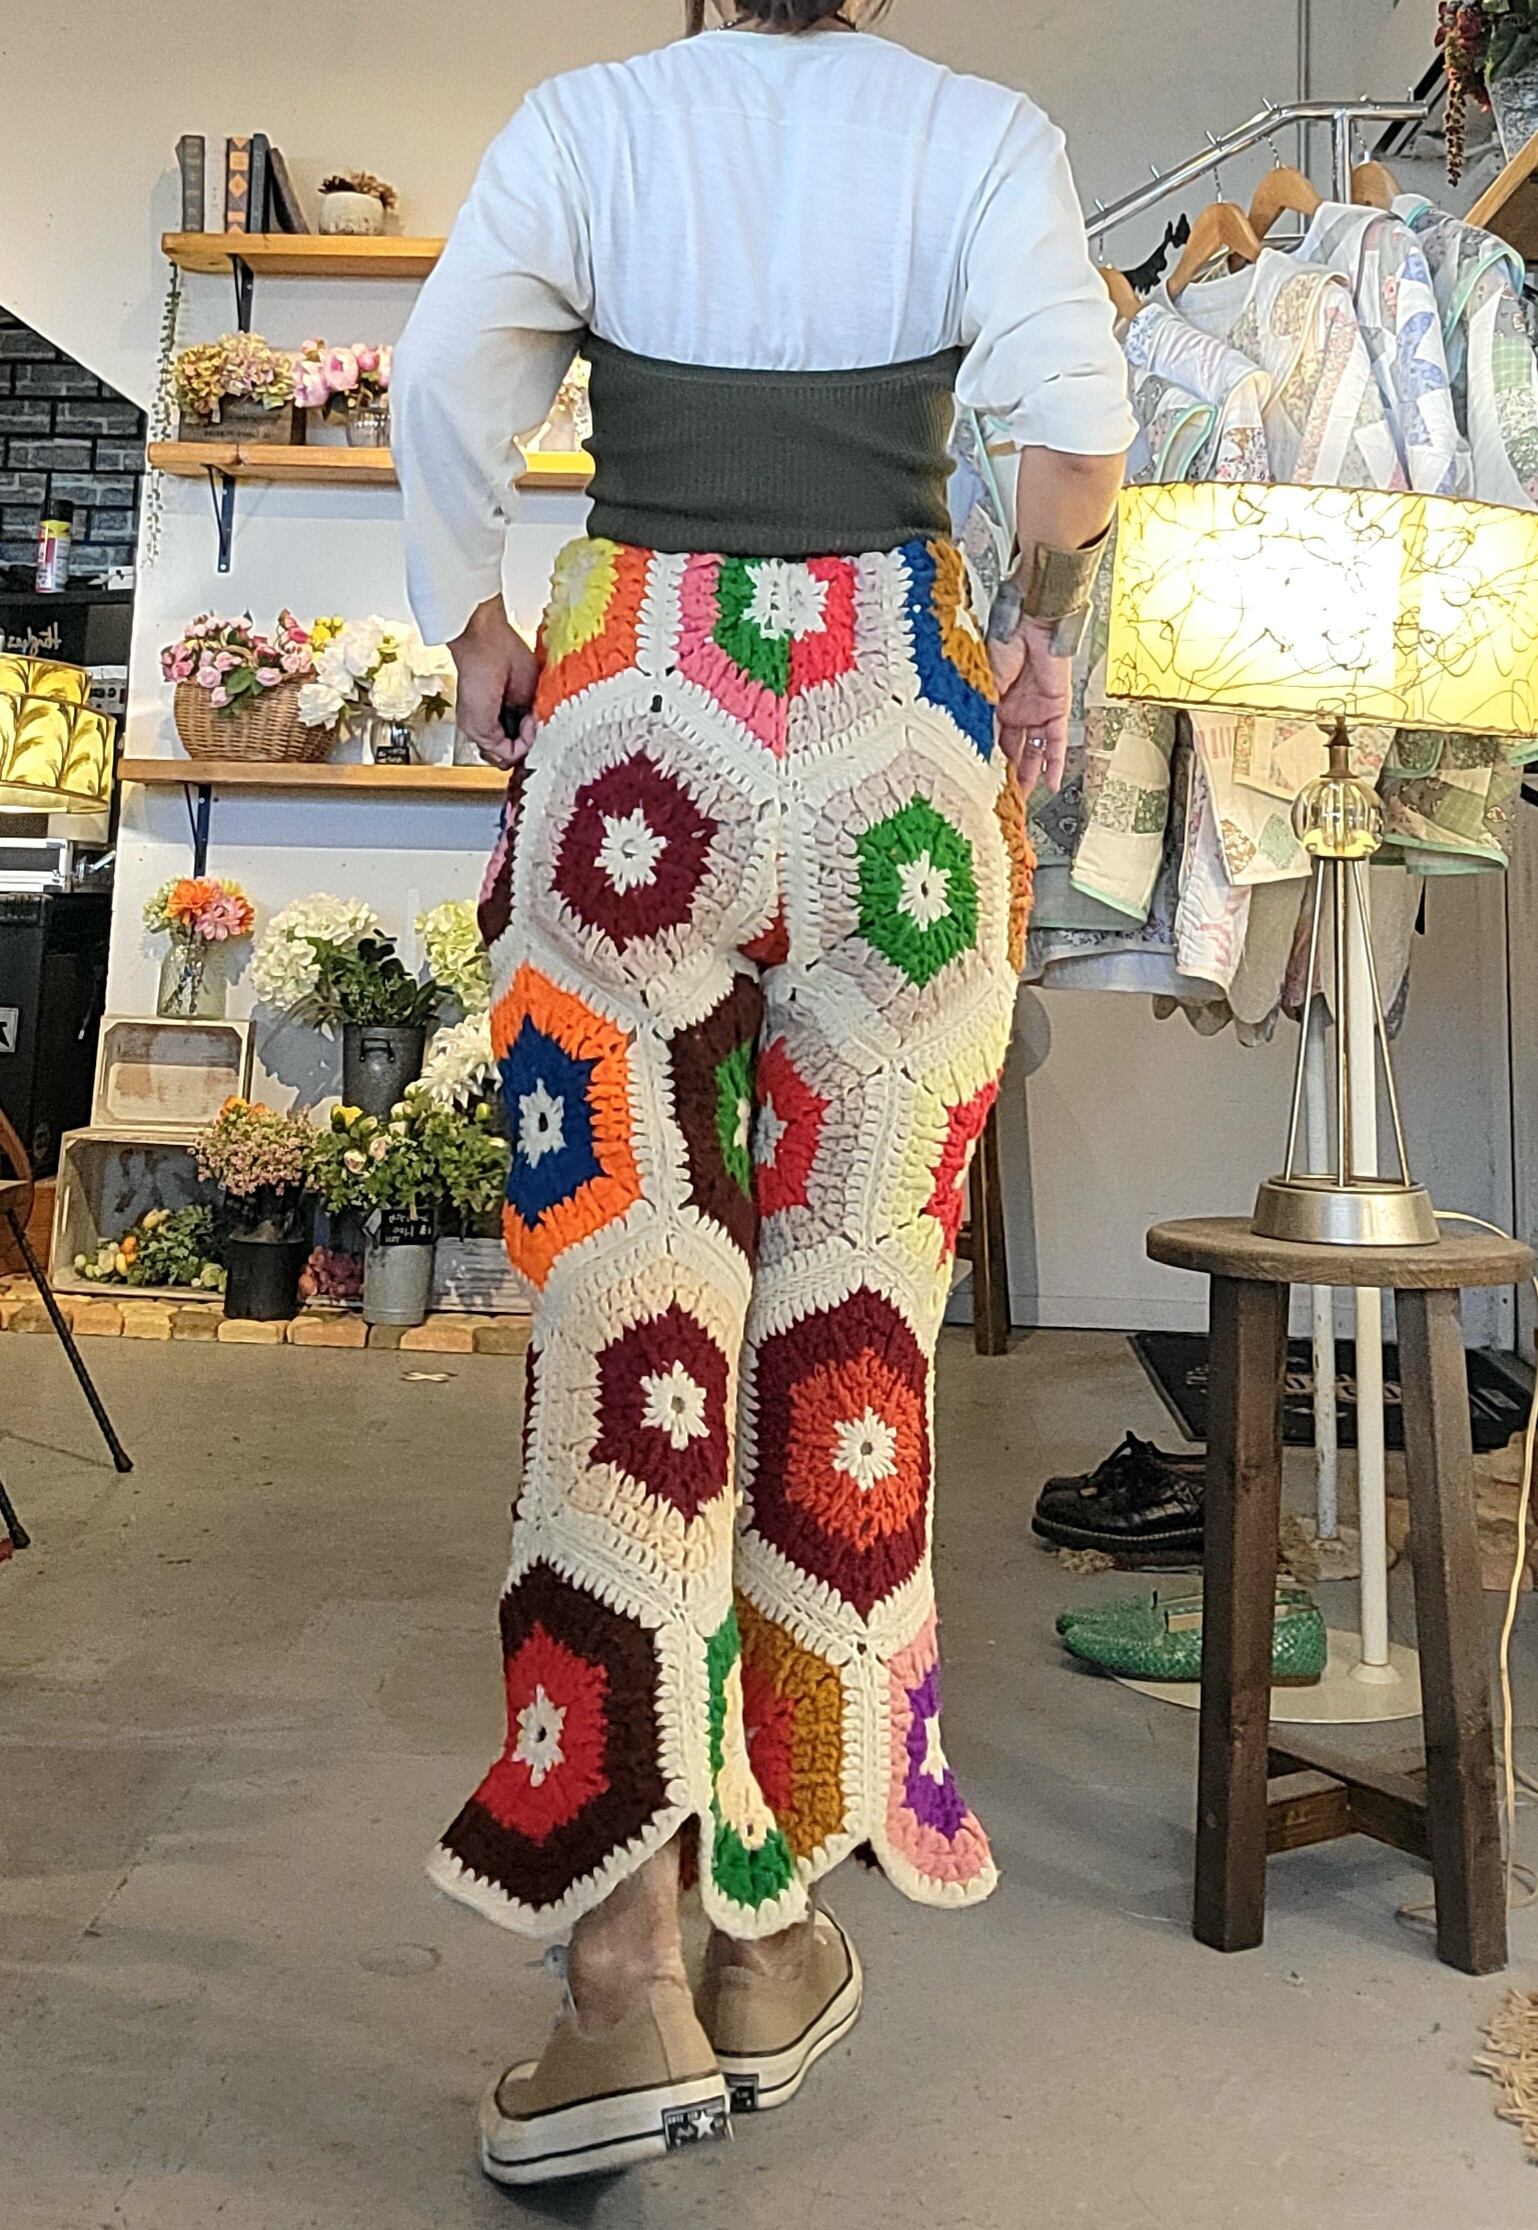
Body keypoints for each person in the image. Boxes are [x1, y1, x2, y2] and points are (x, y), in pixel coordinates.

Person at [393, 0, 1131, 2188]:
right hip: (898, 720)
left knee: (629, 1325)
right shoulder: (978, 131)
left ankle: (616, 1980)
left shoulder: (591, 121)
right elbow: (1074, 435)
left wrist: (472, 627)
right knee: (846, 1335)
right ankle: (772, 1926)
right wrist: (1037, 630)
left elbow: (441, 385)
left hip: (641, 708)